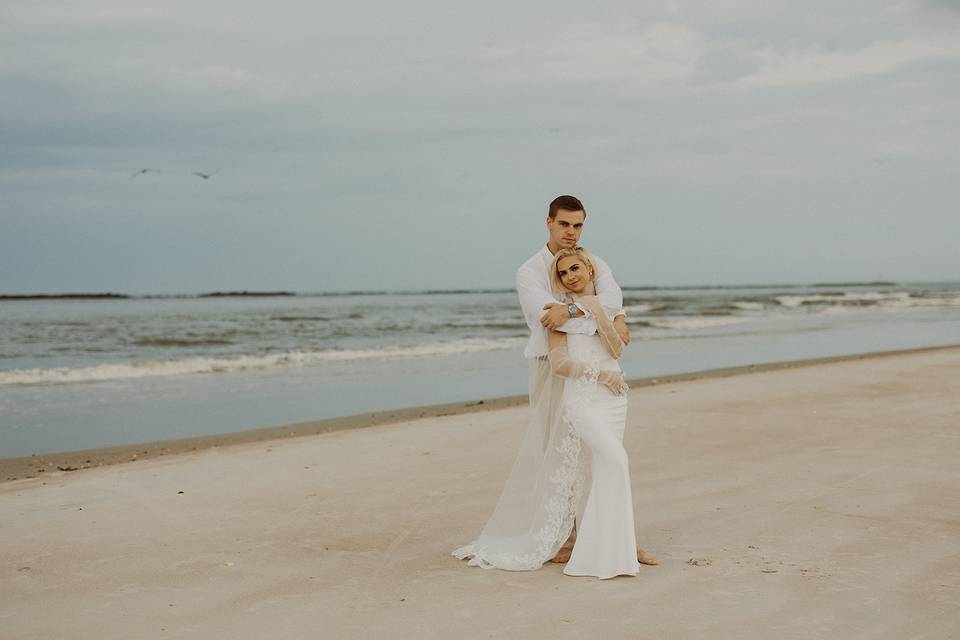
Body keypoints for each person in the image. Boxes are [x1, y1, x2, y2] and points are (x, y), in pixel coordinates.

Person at [452, 195, 656, 576]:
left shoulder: (595, 261)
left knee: (603, 451)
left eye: (578, 225)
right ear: (549, 222)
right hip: (552, 365)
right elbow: (551, 320)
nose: (571, 232)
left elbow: (612, 301)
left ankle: (614, 536)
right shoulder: (529, 272)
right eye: (564, 224)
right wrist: (590, 314)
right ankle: (565, 536)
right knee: (558, 450)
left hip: (596, 363)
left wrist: (577, 309)